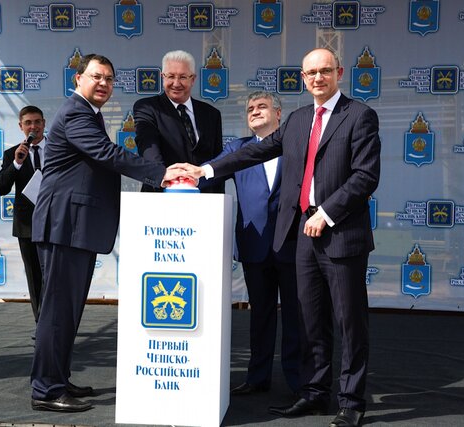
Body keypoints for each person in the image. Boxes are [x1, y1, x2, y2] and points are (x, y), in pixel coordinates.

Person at [175, 48, 381, 427]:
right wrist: (205, 170)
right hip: (301, 236)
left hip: (340, 234)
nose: (317, 78)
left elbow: (365, 176)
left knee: (349, 323)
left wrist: (326, 213)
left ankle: (351, 401)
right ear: (303, 78)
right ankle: (315, 393)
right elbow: (256, 153)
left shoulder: (359, 115)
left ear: (338, 73)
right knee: (310, 321)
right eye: (310, 73)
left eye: (324, 71)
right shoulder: (299, 120)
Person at [30, 53, 182, 413]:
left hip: (74, 226)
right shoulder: (76, 113)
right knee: (57, 312)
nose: (104, 83)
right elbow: (105, 153)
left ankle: (58, 377)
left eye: (110, 79)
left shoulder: (89, 114)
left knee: (67, 311)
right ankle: (46, 389)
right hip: (64, 225)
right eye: (96, 76)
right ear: (78, 79)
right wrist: (160, 173)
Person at [215, 91, 300, 396]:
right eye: (250, 108)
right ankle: (257, 378)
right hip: (254, 246)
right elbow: (210, 172)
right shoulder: (237, 149)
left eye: (262, 106)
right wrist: (180, 177)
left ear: (279, 113)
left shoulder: (295, 145)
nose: (254, 111)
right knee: (260, 316)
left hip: (293, 245)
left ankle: (298, 381)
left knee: (296, 317)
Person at [133, 49, 224, 193]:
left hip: (204, 198)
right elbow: (149, 148)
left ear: (193, 79)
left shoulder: (212, 114)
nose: (176, 83)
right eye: (171, 76)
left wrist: (218, 199)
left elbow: (217, 163)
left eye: (182, 77)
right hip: (162, 195)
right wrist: (164, 176)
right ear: (162, 77)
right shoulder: (147, 108)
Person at [0, 105, 45, 325]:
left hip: (56, 222)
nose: (33, 126)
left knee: (56, 277)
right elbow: (0, 188)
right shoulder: (13, 154)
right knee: (35, 278)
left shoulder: (58, 149)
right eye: (28, 123)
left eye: (37, 122)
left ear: (44, 123)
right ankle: (42, 326)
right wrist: (17, 163)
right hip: (27, 226)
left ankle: (58, 323)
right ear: (21, 126)